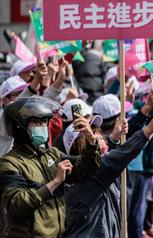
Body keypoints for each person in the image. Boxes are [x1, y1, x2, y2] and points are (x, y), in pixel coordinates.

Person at [0, 96, 100, 237]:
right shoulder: (10, 163)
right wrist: (56, 181)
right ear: (19, 127)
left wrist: (91, 142)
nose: (42, 126)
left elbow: (85, 170)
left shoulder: (52, 153)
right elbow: (17, 204)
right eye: (35, 122)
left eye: (44, 122)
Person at [63, 111, 153, 238]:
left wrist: (113, 139)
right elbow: (119, 156)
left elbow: (108, 158)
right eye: (90, 136)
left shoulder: (88, 169)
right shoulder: (90, 172)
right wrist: (149, 129)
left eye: (99, 134)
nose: (100, 139)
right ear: (78, 147)